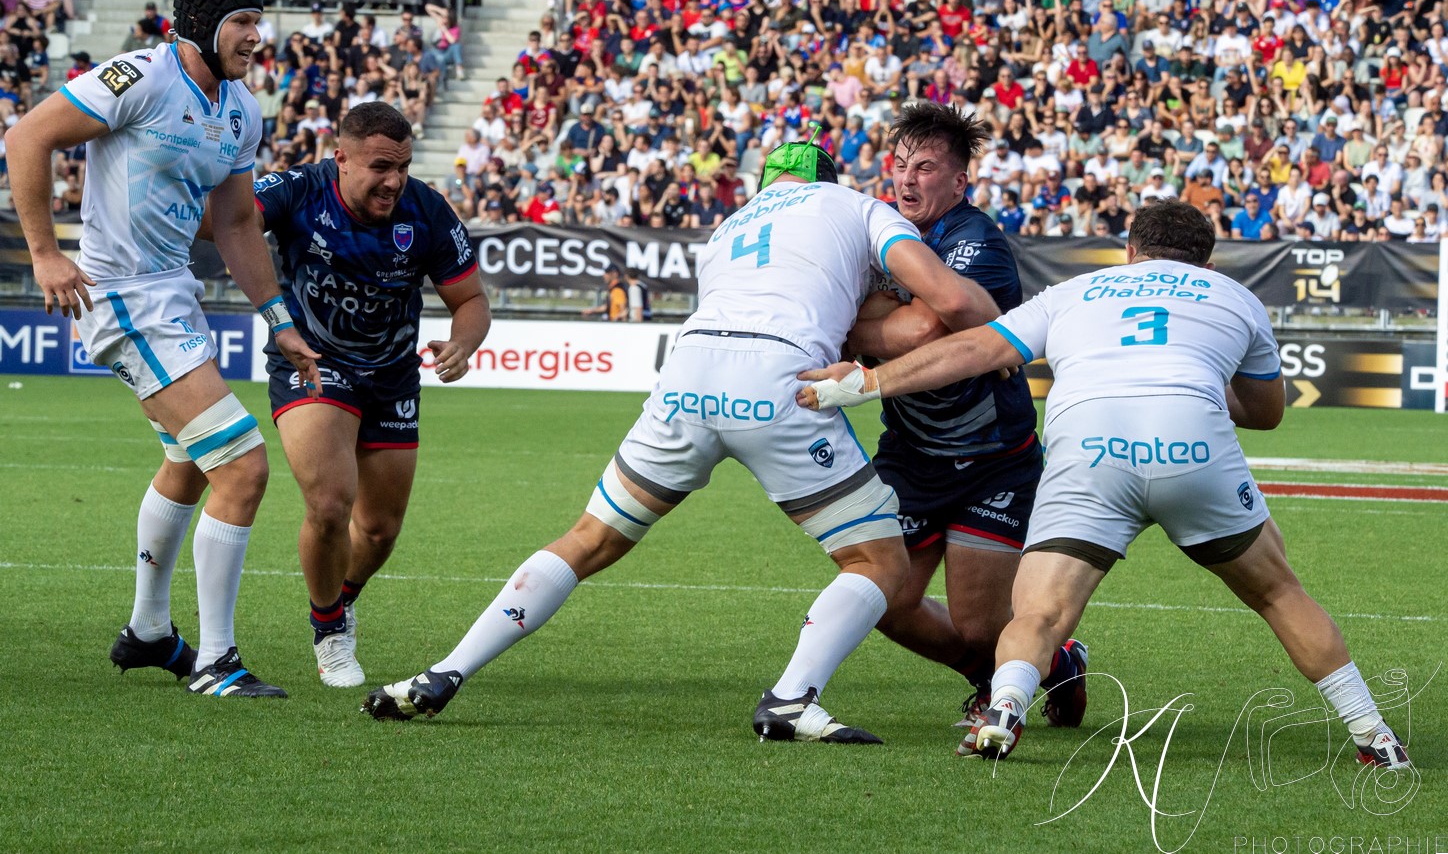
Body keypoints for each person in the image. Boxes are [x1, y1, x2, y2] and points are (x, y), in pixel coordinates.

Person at [361, 137, 1001, 741]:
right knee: (878, 562)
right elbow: (950, 299)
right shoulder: (860, 207)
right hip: (777, 380)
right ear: (826, 181)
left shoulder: (729, 227)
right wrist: (1001, 340)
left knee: (589, 540)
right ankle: (790, 700)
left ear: (766, 183)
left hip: (687, 376)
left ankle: (446, 671)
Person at [797, 201, 1412, 771]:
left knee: (1039, 611)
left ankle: (1004, 712)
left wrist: (857, 385)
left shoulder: (1074, 291)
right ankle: (1373, 736)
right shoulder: (1236, 296)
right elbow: (1264, 411)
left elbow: (972, 350)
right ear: (1208, 262)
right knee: (1279, 594)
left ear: (1129, 252)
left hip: (1091, 450)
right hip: (1191, 448)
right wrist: (1187, 373)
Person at [5, 0, 321, 698]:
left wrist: (279, 319)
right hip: (121, 297)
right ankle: (216, 661)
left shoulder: (242, 108)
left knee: (189, 462)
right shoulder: (138, 77)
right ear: (205, 23)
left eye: (256, 21)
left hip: (172, 298)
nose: (255, 36)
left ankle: (150, 631)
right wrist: (46, 254)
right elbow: (26, 138)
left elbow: (239, 222)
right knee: (242, 464)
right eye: (241, 22)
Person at [850, 102, 1086, 750]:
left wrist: (863, 321)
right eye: (898, 165)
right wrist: (879, 322)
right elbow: (877, 325)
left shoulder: (975, 241)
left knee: (979, 623)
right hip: (910, 456)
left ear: (958, 182)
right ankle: (1003, 673)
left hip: (993, 458)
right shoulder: (881, 234)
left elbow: (929, 327)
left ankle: (1053, 658)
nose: (906, 179)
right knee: (882, 602)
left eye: (924, 167)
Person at [252, 102, 491, 688]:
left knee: (380, 529)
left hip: (391, 377)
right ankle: (329, 628)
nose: (394, 181)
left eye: (403, 167)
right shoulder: (299, 190)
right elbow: (229, 217)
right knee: (331, 504)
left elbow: (471, 301)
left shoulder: (427, 210)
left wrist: (463, 343)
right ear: (342, 158)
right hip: (314, 364)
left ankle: (342, 598)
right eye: (381, 167)